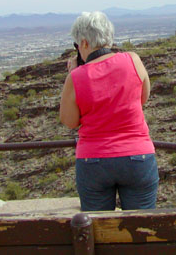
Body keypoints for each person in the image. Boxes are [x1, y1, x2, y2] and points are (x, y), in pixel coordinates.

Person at [59, 11, 159, 211]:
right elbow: (142, 98)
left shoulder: (76, 77)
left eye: (77, 45)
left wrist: (74, 74)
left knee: (98, 229)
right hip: (138, 156)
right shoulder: (133, 60)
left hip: (93, 160)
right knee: (142, 226)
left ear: (85, 43)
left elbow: (70, 121)